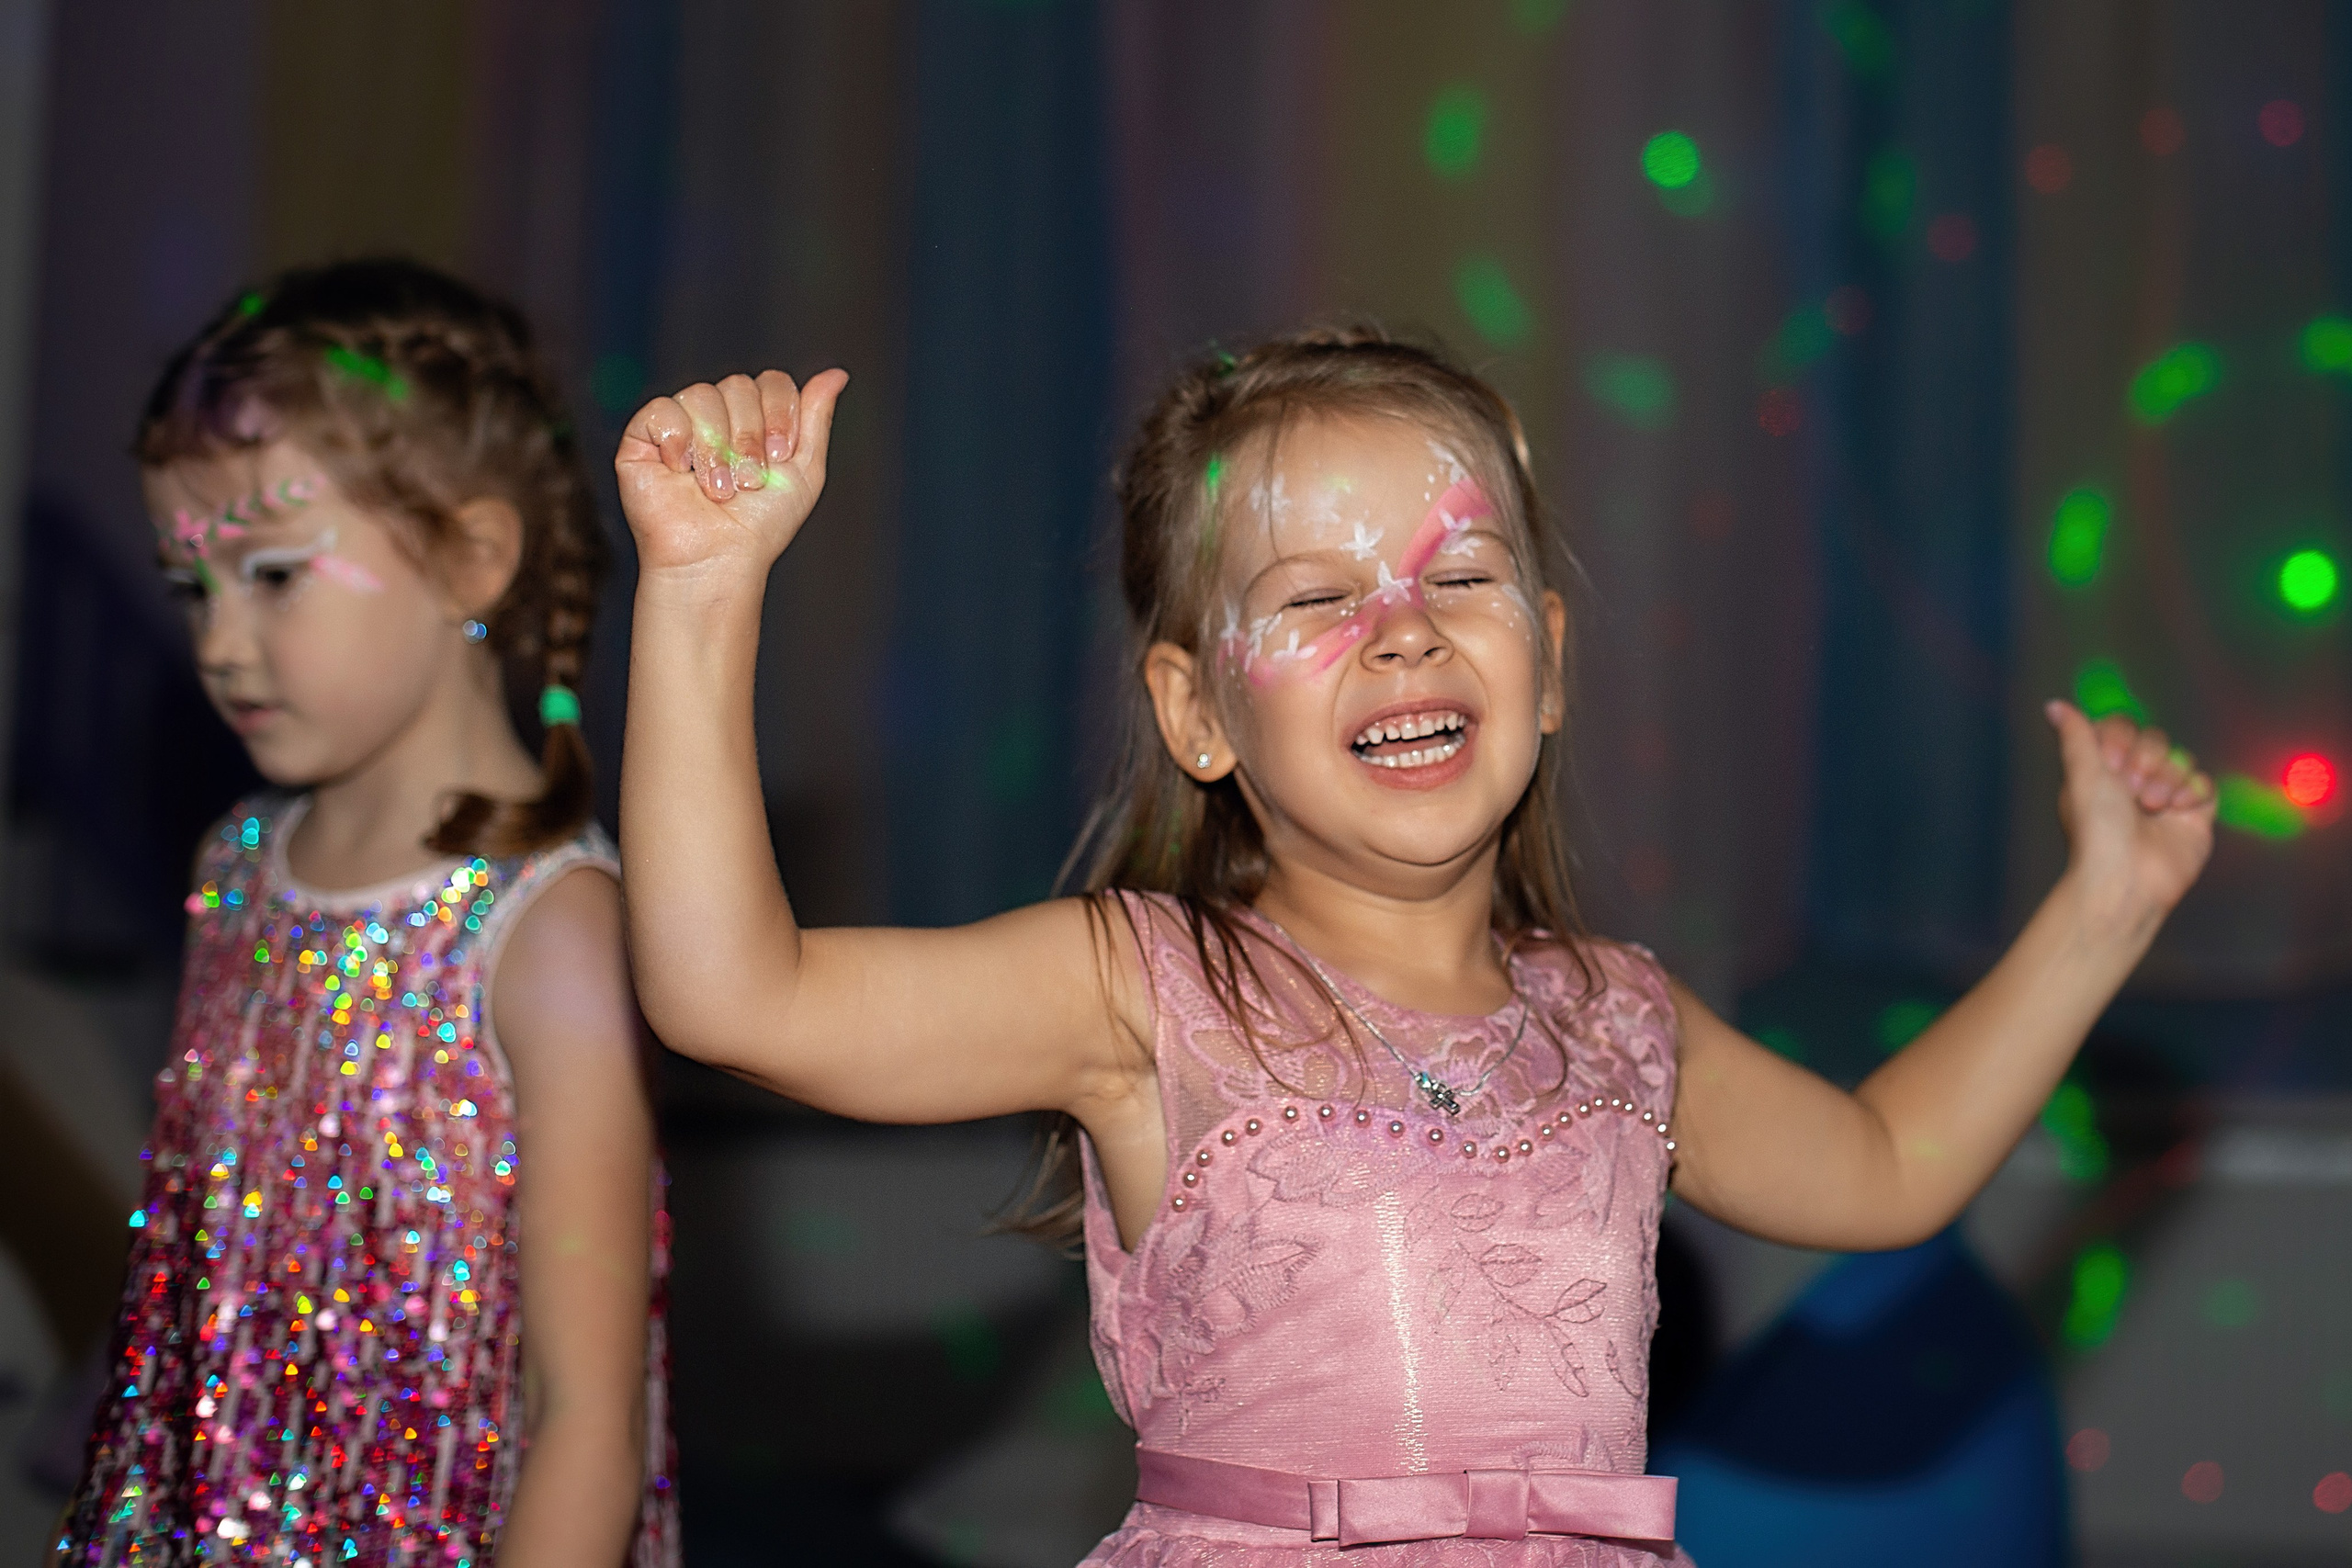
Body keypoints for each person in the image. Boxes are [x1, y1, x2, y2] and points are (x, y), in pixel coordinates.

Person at [614, 329, 2212, 1565]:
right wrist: (700, 594)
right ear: (1197, 713)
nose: (1404, 625)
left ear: (1552, 659)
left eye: (1460, 574)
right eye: (1316, 599)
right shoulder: (1138, 988)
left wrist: (2107, 907)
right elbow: (734, 994)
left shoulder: (1618, 1022)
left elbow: (1884, 1165)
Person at [56, 259, 677, 1568]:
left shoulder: (551, 932)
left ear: (470, 556)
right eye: (192, 588)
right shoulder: (236, 866)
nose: (220, 643)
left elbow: (588, 1426)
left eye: (272, 576)